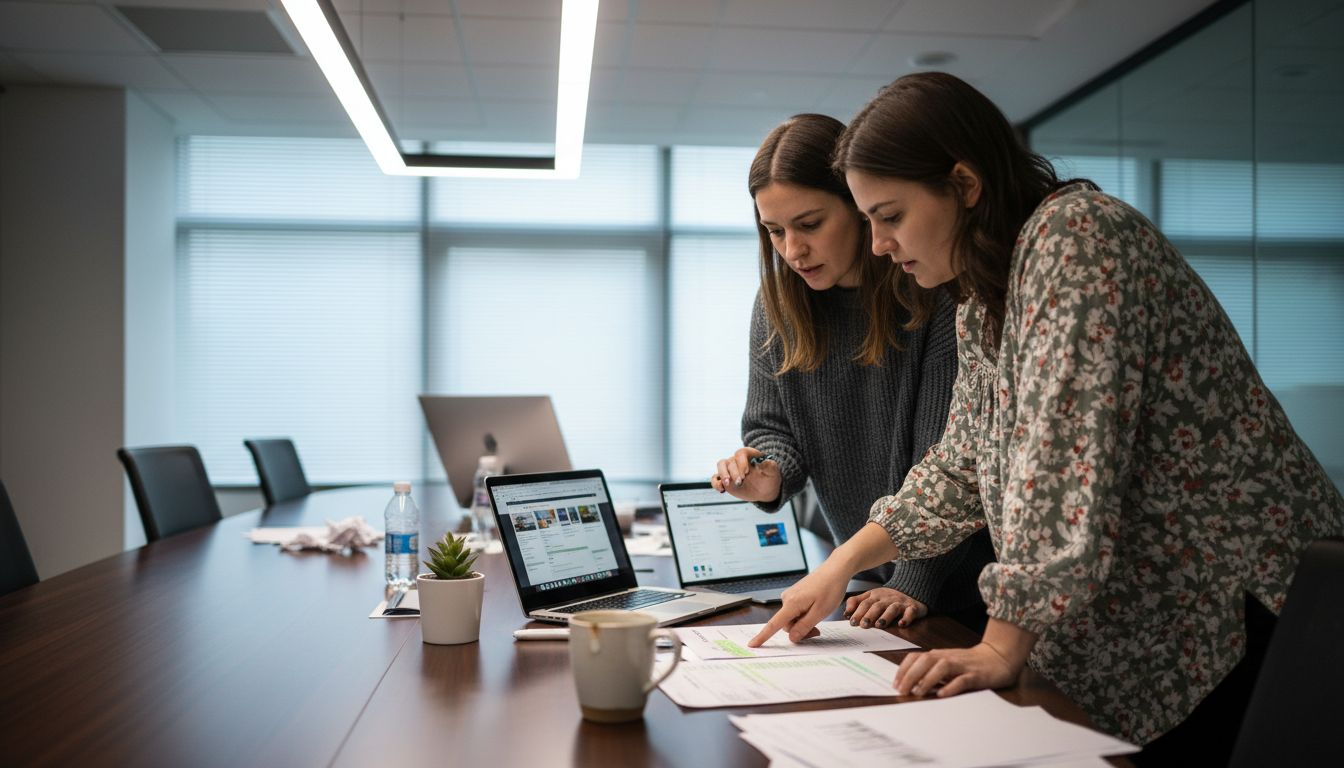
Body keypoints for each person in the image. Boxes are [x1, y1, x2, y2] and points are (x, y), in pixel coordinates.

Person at [747, 73, 1344, 760]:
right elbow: (961, 464)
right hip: (1155, 629)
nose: (879, 243)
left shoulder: (1078, 239)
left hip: (1245, 604)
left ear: (964, 186)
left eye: (890, 216)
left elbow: (1059, 467)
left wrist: (1001, 644)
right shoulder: (983, 297)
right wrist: (840, 566)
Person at [710, 113, 995, 632]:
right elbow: (771, 427)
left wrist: (913, 582)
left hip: (960, 587)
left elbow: (950, 463)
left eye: (810, 224)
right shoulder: (777, 305)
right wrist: (768, 476)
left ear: (860, 208)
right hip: (865, 579)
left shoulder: (935, 293)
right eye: (774, 231)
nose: (792, 251)